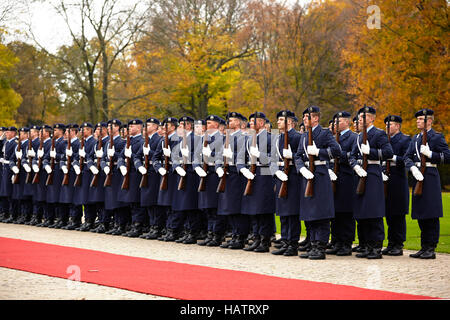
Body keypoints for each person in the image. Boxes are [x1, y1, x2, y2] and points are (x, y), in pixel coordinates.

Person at [294, 106, 341, 260]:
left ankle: (320, 246)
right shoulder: (304, 135)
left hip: (320, 175)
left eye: (307, 117)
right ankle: (313, 244)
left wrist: (319, 152)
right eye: (303, 117)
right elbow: (298, 155)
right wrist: (301, 169)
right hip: (307, 175)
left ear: (315, 118)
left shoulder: (325, 133)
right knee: (310, 212)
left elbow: (336, 151)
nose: (304, 120)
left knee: (321, 213)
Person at [349, 106, 393, 259]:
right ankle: (367, 245)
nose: (361, 120)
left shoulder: (379, 134)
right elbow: (352, 155)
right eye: (360, 117)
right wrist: (355, 165)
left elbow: (388, 153)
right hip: (360, 174)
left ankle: (376, 247)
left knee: (374, 212)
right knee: (362, 212)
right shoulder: (359, 136)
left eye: (364, 117)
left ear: (372, 118)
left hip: (373, 173)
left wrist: (372, 152)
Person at [405, 108, 450, 259]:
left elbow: (447, 156)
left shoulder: (437, 137)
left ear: (429, 121)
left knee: (431, 214)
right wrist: (411, 167)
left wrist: (431, 155)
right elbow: (407, 157)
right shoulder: (415, 138)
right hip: (418, 175)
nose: (417, 121)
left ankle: (431, 247)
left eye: (420, 119)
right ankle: (424, 247)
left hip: (430, 176)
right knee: (421, 213)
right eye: (417, 119)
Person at [237, 111, 276, 253]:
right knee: (253, 210)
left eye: (254, 122)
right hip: (251, 174)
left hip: (265, 174)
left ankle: (265, 240)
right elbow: (240, 158)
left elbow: (274, 159)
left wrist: (260, 155)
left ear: (261, 123)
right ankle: (256, 238)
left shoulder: (271, 138)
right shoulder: (248, 139)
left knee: (263, 210)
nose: (251, 125)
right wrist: (243, 169)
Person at [215, 112, 250, 249]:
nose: (230, 122)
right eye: (229, 120)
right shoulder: (226, 137)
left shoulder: (244, 137)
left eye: (233, 120)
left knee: (236, 207)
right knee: (228, 206)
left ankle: (240, 235)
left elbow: (245, 155)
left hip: (237, 175)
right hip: (227, 175)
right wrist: (218, 166)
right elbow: (219, 154)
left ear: (241, 123)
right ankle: (235, 234)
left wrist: (232, 156)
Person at [270, 110, 302, 256]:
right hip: (281, 176)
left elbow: (302, 157)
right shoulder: (277, 138)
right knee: (282, 211)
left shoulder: (297, 137)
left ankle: (292, 243)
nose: (278, 122)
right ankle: (285, 241)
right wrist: (276, 171)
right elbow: (272, 158)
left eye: (281, 119)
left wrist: (293, 157)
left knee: (292, 212)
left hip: (293, 177)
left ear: (289, 121)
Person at [326, 111, 358, 256]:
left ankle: (346, 242)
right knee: (335, 211)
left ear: (347, 122)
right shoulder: (332, 138)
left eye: (339, 121)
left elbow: (354, 155)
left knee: (346, 211)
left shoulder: (353, 137)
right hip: (333, 176)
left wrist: (340, 154)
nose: (336, 124)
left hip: (346, 177)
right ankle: (337, 240)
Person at [194, 115, 227, 247]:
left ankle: (217, 234)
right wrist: (197, 167)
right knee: (207, 207)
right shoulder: (202, 138)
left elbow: (223, 156)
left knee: (215, 207)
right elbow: (196, 156)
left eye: (209, 123)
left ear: (217, 125)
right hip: (204, 175)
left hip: (215, 175)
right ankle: (210, 233)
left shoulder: (223, 138)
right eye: (206, 122)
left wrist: (211, 156)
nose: (207, 125)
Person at [170, 116, 203, 244]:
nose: (179, 128)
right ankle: (187, 230)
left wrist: (187, 156)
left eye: (181, 126)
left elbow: (198, 155)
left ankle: (193, 232)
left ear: (189, 126)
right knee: (183, 204)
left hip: (191, 174)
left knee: (190, 205)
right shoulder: (179, 139)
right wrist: (177, 166)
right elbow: (174, 155)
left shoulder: (196, 138)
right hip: (182, 173)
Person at [382, 115, 411, 256]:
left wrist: (392, 158)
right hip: (385, 178)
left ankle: (398, 244)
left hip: (398, 179)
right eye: (386, 124)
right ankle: (391, 243)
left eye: (391, 124)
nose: (388, 127)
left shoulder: (405, 139)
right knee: (388, 212)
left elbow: (407, 158)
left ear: (398, 126)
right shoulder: (384, 139)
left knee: (398, 214)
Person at [152, 117, 179, 241]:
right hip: (164, 174)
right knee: (166, 203)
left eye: (166, 126)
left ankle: (174, 230)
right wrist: (159, 168)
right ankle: (168, 228)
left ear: (173, 127)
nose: (163, 128)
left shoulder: (179, 139)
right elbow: (155, 158)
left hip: (174, 175)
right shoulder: (162, 140)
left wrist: (172, 157)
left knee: (174, 203)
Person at [137, 118, 165, 240]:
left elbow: (158, 155)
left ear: (155, 127)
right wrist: (139, 166)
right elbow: (137, 155)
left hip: (154, 173)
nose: (145, 128)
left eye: (148, 125)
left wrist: (150, 151)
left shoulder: (158, 139)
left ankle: (157, 227)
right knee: (147, 202)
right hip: (145, 172)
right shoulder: (145, 140)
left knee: (154, 202)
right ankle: (152, 226)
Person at [101, 119, 128, 235]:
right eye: (108, 126)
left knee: (118, 199)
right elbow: (102, 158)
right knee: (111, 199)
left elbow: (123, 156)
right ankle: (115, 223)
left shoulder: (122, 142)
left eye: (111, 126)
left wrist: (115, 155)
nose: (108, 128)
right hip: (109, 171)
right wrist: (104, 166)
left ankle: (121, 224)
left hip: (117, 172)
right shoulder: (107, 142)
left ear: (117, 128)